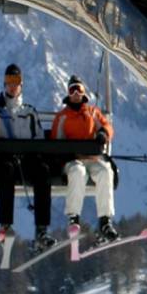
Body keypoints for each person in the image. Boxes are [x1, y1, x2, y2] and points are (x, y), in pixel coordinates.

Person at [0, 63, 56, 255]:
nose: (12, 86)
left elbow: (39, 138)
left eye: (15, 81)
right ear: (4, 84)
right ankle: (5, 225)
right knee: (5, 171)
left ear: (21, 84)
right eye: (9, 81)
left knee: (43, 172)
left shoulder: (29, 112)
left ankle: (41, 229)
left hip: (26, 160)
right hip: (5, 161)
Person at [50, 75, 117, 241]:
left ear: (83, 92)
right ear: (68, 93)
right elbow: (55, 141)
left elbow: (107, 126)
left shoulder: (93, 112)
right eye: (72, 89)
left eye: (78, 89)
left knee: (105, 172)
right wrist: (64, 154)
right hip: (73, 161)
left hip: (92, 158)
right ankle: (74, 217)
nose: (75, 93)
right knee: (78, 172)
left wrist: (102, 133)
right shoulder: (63, 117)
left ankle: (105, 220)